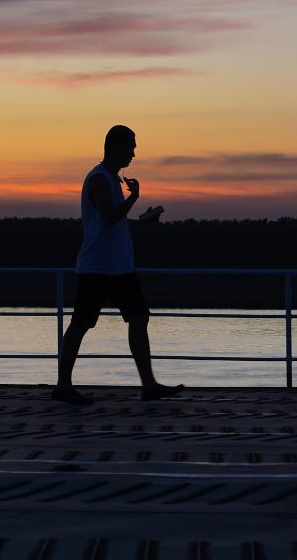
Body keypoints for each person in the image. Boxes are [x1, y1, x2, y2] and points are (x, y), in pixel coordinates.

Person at [51, 125, 183, 405]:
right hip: (98, 268)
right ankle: (63, 385)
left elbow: (115, 221)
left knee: (139, 318)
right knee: (81, 324)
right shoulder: (99, 179)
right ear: (117, 147)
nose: (133, 154)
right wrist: (134, 198)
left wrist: (143, 222)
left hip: (119, 268)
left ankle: (149, 385)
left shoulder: (110, 179)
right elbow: (110, 217)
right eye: (131, 148)